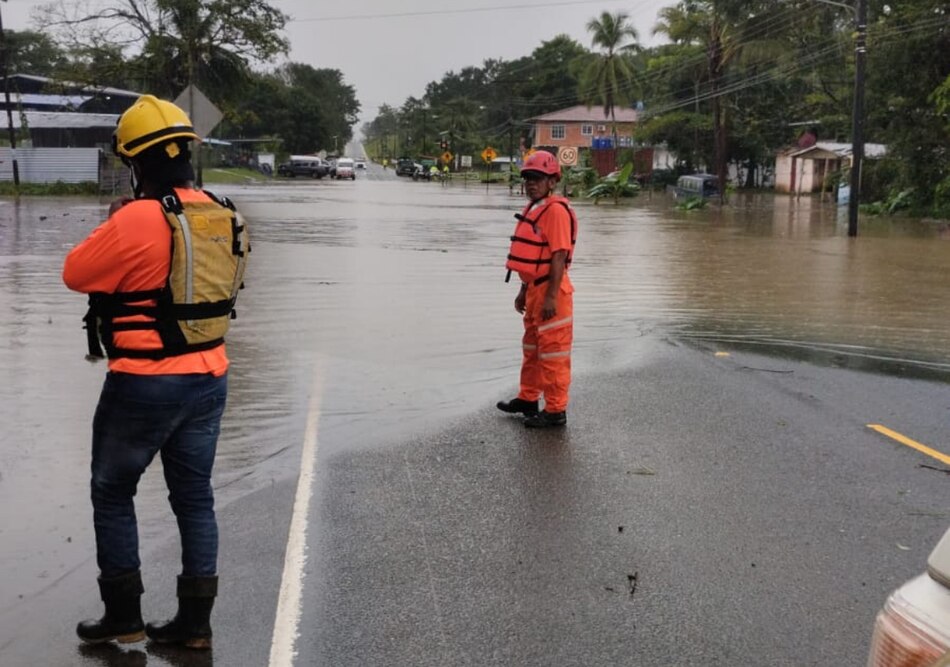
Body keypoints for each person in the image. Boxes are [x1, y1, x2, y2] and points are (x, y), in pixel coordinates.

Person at [63, 95, 250, 650]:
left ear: (136, 162)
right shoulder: (224, 211)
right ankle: (195, 625)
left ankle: (123, 616)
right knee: (194, 497)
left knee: (113, 491)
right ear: (188, 153)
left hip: (145, 382)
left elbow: (75, 272)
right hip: (211, 377)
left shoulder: (140, 216)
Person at [497, 151, 577, 428]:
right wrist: (522, 290)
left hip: (551, 293)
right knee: (531, 350)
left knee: (553, 354)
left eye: (538, 179)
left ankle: (555, 411)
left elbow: (558, 256)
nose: (531, 184)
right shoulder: (535, 208)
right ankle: (528, 399)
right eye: (528, 178)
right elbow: (532, 257)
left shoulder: (555, 211)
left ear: (552, 181)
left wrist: (551, 297)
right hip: (534, 290)